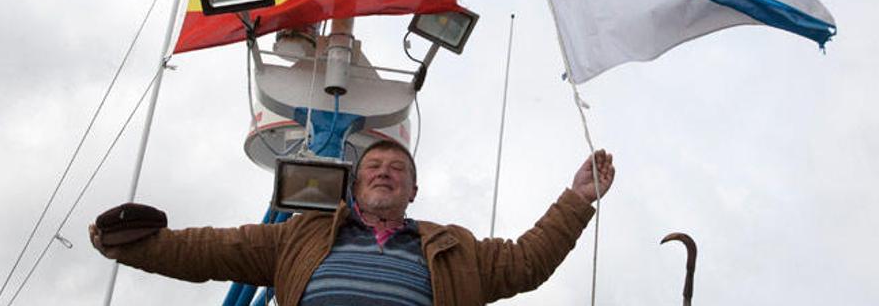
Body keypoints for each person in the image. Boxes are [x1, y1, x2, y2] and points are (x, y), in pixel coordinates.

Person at [90, 140, 615, 305]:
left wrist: (577, 198)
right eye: (374, 168)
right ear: (356, 185)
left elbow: (526, 261)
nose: (385, 174)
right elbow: (209, 250)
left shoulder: (457, 249)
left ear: (413, 190)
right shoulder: (302, 235)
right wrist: (131, 245)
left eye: (397, 171)